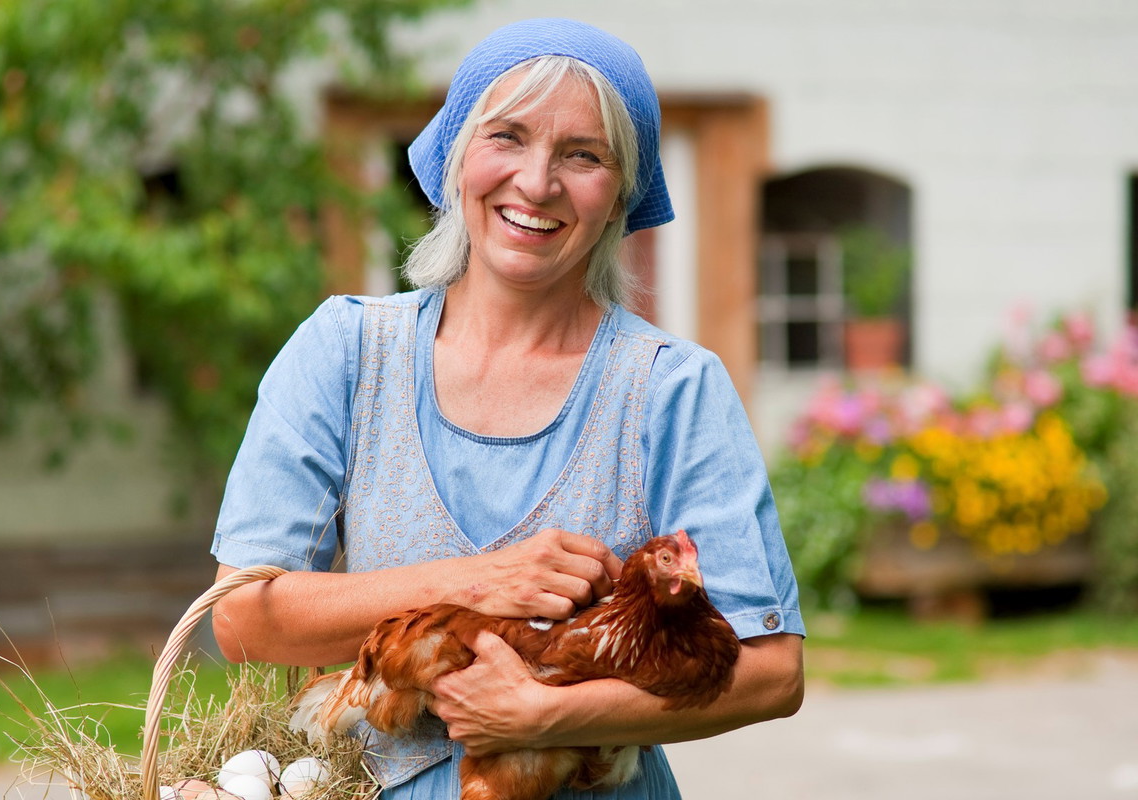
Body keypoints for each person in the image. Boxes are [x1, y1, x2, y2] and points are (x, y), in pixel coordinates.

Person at [210, 17, 805, 799]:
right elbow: (244, 619)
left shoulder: (669, 388)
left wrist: (548, 717)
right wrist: (481, 582)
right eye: (507, 137)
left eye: (582, 155)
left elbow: (772, 671)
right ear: (457, 157)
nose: (536, 182)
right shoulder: (346, 352)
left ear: (621, 193)